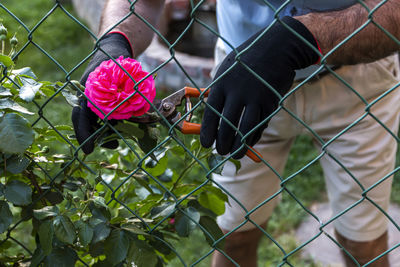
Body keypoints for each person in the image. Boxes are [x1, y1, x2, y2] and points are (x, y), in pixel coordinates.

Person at [71, 0, 400, 266]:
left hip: (357, 77)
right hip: (239, 82)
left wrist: (300, 38)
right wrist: (115, 41)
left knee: (364, 243)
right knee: (232, 236)